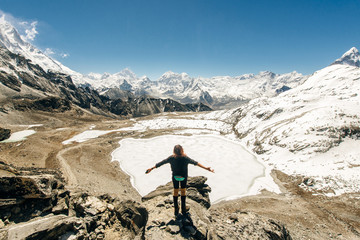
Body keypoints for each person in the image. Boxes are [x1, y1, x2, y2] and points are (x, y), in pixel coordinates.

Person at [146, 144, 214, 216]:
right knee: (183, 192)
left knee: (175, 191)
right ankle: (183, 209)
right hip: (183, 177)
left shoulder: (171, 158)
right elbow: (196, 163)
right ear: (182, 150)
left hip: (175, 177)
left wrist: (151, 168)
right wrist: (206, 168)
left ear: (174, 151)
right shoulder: (185, 158)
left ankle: (176, 209)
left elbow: (161, 163)